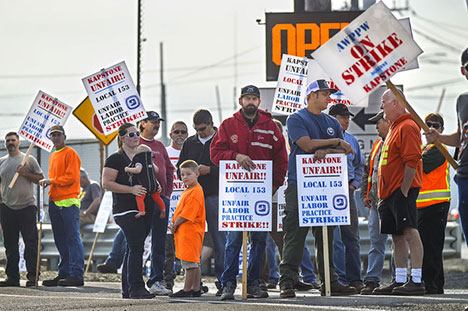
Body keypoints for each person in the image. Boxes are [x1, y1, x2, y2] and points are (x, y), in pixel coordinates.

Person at [278, 79, 357, 298]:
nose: (328, 98)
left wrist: (328, 151)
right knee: (295, 233)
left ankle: (330, 281)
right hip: (300, 184)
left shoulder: (330, 120)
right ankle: (287, 281)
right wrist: (333, 143)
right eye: (324, 94)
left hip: (327, 185)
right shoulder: (296, 118)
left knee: (327, 234)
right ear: (312, 95)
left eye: (328, 94)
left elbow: (344, 152)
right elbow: (305, 144)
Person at [211, 85, 288, 300]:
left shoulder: (270, 126)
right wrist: (235, 156)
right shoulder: (228, 125)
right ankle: (227, 284)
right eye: (247, 98)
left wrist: (274, 186)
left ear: (259, 102)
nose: (251, 102)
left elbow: (281, 159)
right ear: (240, 101)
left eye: (254, 98)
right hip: (236, 194)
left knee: (259, 241)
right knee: (233, 240)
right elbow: (215, 153)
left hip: (262, 195)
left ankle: (254, 283)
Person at [372, 89, 425, 295]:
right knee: (397, 236)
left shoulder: (408, 126)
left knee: (410, 231)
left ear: (396, 102)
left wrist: (403, 191)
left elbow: (412, 161)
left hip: (400, 192)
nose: (382, 106)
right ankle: (400, 279)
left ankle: (417, 280)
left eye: (384, 102)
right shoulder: (395, 128)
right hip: (389, 194)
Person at [102, 123, 155, 299]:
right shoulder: (115, 158)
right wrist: (130, 190)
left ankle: (127, 289)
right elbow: (106, 183)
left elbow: (152, 173)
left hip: (145, 207)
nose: (135, 136)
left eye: (137, 133)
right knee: (135, 246)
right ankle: (137, 288)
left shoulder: (143, 154)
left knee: (132, 248)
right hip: (125, 209)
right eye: (131, 134)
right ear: (122, 137)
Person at [177, 109, 226, 296]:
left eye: (203, 129)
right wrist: (188, 174)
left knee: (219, 239)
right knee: (191, 240)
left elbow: (230, 166)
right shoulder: (190, 142)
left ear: (212, 123)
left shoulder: (221, 139)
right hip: (193, 197)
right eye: (196, 129)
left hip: (214, 195)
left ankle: (223, 281)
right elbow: (179, 167)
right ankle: (194, 284)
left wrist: (210, 170)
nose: (200, 132)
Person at [425, 48, 468, 247]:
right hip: (465, 175)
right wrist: (439, 137)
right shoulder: (462, 101)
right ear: (463, 71)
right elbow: (461, 137)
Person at [39, 125, 85, 287]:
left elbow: (71, 178)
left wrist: (51, 181)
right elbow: (58, 178)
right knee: (60, 240)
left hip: (68, 202)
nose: (56, 138)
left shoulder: (71, 153)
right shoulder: (53, 156)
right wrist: (51, 185)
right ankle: (64, 272)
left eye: (58, 135)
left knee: (72, 238)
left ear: (64, 137)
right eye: (53, 135)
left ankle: (76, 273)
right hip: (54, 201)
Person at [329, 103, 365, 292]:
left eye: (348, 117)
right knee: (333, 239)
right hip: (327, 193)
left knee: (351, 237)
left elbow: (360, 166)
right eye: (343, 117)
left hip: (347, 192)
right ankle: (337, 279)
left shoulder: (352, 140)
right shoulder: (322, 139)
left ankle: (355, 279)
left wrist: (354, 184)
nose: (347, 120)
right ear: (333, 118)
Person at [0, 132, 44, 287]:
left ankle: (33, 276)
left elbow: (41, 179)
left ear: (18, 142)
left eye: (13, 140)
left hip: (27, 207)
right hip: (7, 208)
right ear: (5, 144)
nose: (10, 143)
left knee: (30, 243)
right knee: (10, 244)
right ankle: (12, 277)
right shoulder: (2, 162)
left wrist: (25, 173)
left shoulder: (28, 159)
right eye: (8, 141)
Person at [138, 111, 174, 296]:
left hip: (160, 201)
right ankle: (135, 279)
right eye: (153, 122)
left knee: (159, 242)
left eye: (158, 122)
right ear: (143, 123)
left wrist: (167, 195)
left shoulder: (160, 145)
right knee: (137, 241)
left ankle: (156, 280)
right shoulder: (135, 144)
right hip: (142, 201)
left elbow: (169, 170)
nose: (156, 125)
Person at [416, 113, 450, 295]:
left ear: (442, 130)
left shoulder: (439, 149)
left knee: (432, 247)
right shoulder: (424, 149)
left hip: (436, 205)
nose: (431, 128)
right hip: (423, 206)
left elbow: (418, 165)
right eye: (427, 124)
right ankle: (433, 284)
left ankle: (432, 284)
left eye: (435, 125)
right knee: (427, 247)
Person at [359, 111, 390, 295]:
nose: (376, 126)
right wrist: (365, 194)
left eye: (379, 122)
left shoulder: (396, 141)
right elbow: (367, 173)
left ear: (388, 122)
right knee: (376, 243)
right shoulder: (377, 145)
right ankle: (372, 280)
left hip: (392, 202)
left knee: (397, 242)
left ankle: (398, 279)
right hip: (376, 204)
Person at [169, 160, 206, 297]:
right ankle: (196, 289)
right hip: (188, 232)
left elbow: (187, 214)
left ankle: (187, 289)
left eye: (188, 174)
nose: (185, 177)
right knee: (194, 262)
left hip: (189, 231)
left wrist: (175, 225)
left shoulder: (195, 192)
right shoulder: (190, 190)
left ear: (197, 174)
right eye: (182, 174)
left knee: (189, 263)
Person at [164, 121, 188, 291]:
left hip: (188, 208)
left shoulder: (192, 152)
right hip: (169, 208)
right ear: (171, 134)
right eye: (176, 132)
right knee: (167, 251)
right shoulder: (165, 152)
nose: (180, 135)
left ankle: (193, 283)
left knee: (190, 250)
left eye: (183, 132)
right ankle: (167, 282)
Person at [125, 144, 165, 218]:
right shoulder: (150, 162)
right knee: (157, 198)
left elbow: (138, 170)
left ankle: (142, 211)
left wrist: (128, 169)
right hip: (153, 185)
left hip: (144, 185)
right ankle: (163, 209)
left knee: (139, 197)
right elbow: (156, 170)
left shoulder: (139, 161)